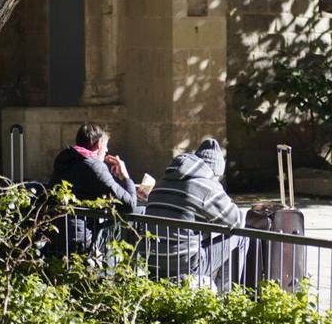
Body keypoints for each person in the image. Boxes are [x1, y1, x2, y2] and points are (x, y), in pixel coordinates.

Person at [140, 137, 247, 290]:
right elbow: (237, 221)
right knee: (240, 236)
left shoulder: (163, 182)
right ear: (215, 172)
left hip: (153, 262)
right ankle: (227, 296)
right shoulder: (206, 186)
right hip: (184, 266)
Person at [47, 122, 139, 255]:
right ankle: (133, 271)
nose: (107, 151)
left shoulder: (66, 159)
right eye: (106, 146)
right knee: (139, 213)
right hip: (80, 241)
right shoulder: (94, 166)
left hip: (55, 238)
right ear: (99, 145)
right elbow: (129, 204)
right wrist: (125, 177)